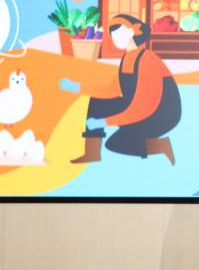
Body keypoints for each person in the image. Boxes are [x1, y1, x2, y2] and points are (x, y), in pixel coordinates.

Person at [70, 14, 179, 165]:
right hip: (135, 106)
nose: (115, 37)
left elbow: (143, 107)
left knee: (116, 144)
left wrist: (105, 122)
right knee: (96, 103)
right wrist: (78, 87)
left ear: (132, 31)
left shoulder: (147, 59)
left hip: (160, 114)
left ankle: (161, 146)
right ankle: (92, 153)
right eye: (112, 34)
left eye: (119, 32)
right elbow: (111, 90)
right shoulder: (127, 58)